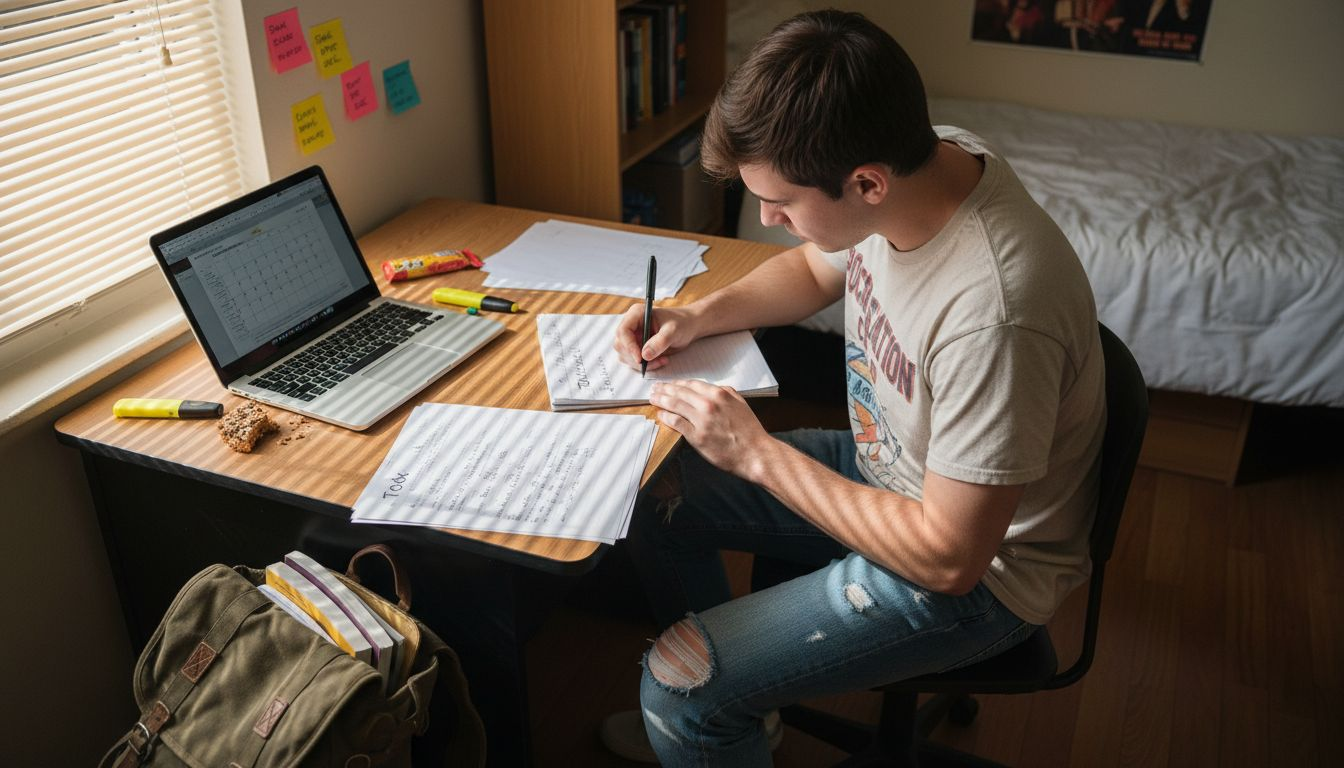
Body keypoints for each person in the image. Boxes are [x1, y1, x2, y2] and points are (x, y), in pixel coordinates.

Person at [601, 10, 1106, 766]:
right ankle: (736, 716)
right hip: (892, 468)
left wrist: (758, 455)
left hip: (980, 574)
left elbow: (948, 559)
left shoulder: (995, 313)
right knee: (648, 485)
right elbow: (810, 271)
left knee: (676, 687)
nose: (768, 218)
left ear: (866, 183)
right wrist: (696, 315)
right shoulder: (927, 169)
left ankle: (709, 712)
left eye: (782, 203)